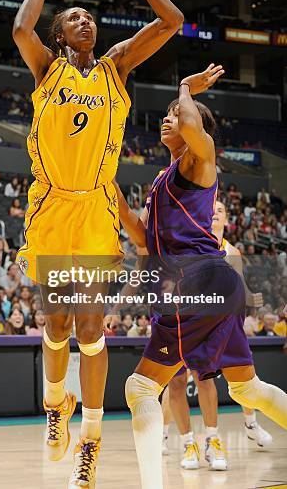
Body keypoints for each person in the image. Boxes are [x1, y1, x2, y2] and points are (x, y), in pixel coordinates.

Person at [13, 0, 183, 487]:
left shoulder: (115, 68)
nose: (85, 18)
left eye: (90, 15)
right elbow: (20, 28)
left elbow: (172, 22)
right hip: (50, 206)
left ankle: (90, 439)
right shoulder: (49, 67)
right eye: (74, 17)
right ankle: (52, 405)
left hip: (94, 212)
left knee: (90, 327)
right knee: (56, 322)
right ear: (61, 34)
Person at [109, 65, 287, 489]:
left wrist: (186, 88)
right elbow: (141, 236)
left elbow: (190, 119)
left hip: (196, 280)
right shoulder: (162, 179)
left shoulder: (201, 161)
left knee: (139, 388)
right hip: (211, 284)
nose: (169, 118)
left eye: (176, 113)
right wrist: (106, 186)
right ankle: (197, 443)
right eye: (168, 113)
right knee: (246, 390)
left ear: (196, 128)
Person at [165, 200, 272, 471]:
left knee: (230, 380)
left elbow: (241, 290)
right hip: (184, 320)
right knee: (176, 383)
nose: (213, 214)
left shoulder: (232, 252)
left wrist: (252, 302)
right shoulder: (187, 243)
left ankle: (231, 432)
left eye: (220, 211)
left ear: (226, 220)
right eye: (210, 210)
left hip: (221, 325)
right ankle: (181, 440)